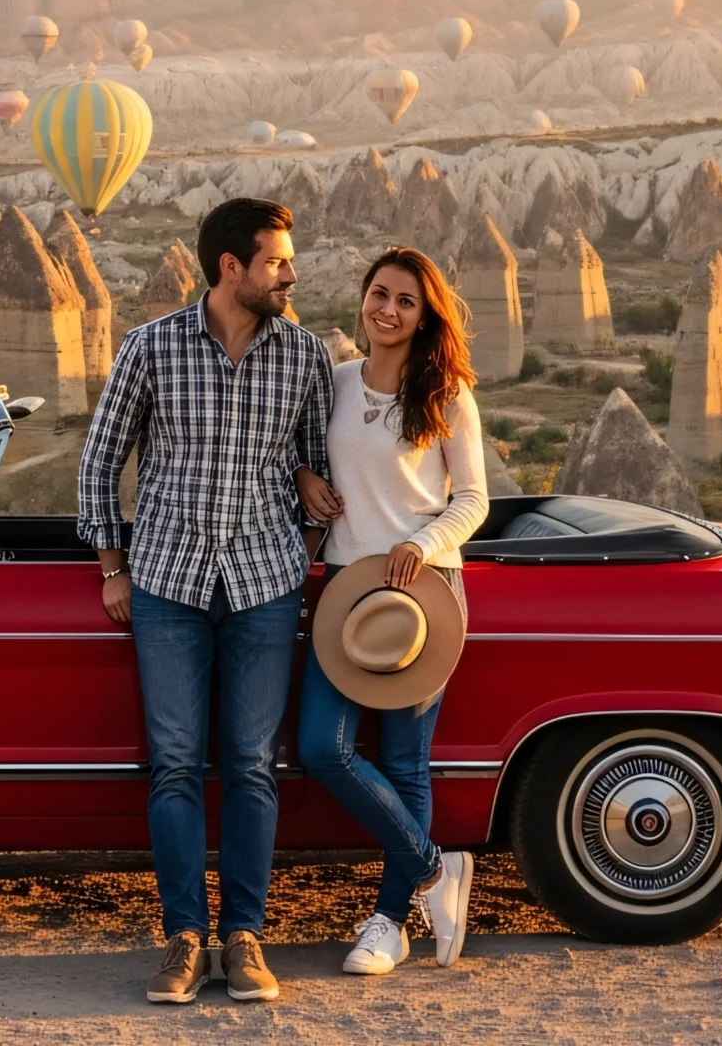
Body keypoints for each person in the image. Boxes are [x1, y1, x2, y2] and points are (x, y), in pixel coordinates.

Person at [77, 197, 337, 1005]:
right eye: (278, 261)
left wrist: (305, 550)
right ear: (232, 267)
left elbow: (324, 468)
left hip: (263, 583)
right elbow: (100, 463)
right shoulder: (150, 347)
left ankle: (247, 938)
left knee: (254, 768)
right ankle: (184, 939)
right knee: (176, 767)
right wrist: (112, 570)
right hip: (166, 585)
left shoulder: (304, 355)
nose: (291, 274)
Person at [301, 246, 486, 974]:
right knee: (323, 746)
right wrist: (307, 478)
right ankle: (436, 870)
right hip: (347, 586)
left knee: (405, 761)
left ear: (424, 314)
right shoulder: (337, 381)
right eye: (380, 294)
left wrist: (424, 539)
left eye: (405, 301)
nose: (388, 309)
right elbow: (308, 457)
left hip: (422, 590)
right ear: (363, 298)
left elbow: (472, 498)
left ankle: (387, 921)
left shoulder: (447, 392)